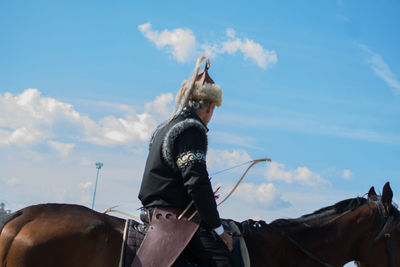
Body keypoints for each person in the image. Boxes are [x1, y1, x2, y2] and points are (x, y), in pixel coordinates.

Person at [138, 56, 233, 267]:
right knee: (222, 261)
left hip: (153, 210)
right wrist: (218, 228)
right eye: (212, 111)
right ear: (209, 107)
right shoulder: (191, 129)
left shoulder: (166, 125)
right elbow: (196, 182)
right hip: (173, 217)